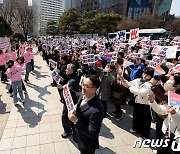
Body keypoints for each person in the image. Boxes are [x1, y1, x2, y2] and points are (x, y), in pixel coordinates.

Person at [68, 75, 104, 154]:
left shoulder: (96, 110)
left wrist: (76, 121)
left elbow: (92, 133)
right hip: (79, 137)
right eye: (83, 84)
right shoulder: (84, 94)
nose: (83, 87)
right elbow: (77, 94)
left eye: (87, 86)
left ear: (94, 89)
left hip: (87, 143)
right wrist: (66, 90)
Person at [57, 63, 79, 138]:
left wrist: (62, 87)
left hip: (70, 101)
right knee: (69, 115)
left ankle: (67, 131)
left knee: (64, 116)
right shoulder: (70, 76)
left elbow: (69, 87)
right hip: (68, 100)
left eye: (67, 69)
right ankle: (71, 128)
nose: (66, 70)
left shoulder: (73, 80)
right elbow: (66, 81)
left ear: (72, 71)